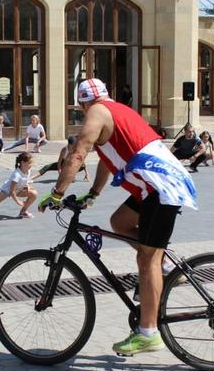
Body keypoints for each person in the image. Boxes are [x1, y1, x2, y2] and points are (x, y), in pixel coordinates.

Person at [37, 78, 198, 356]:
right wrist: (94, 193)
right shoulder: (116, 111)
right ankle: (168, 265)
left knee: (146, 259)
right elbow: (105, 158)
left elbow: (78, 154)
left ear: (83, 102)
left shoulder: (97, 113)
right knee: (120, 222)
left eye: (81, 106)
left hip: (160, 187)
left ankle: (148, 333)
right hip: (157, 184)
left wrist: (57, 193)